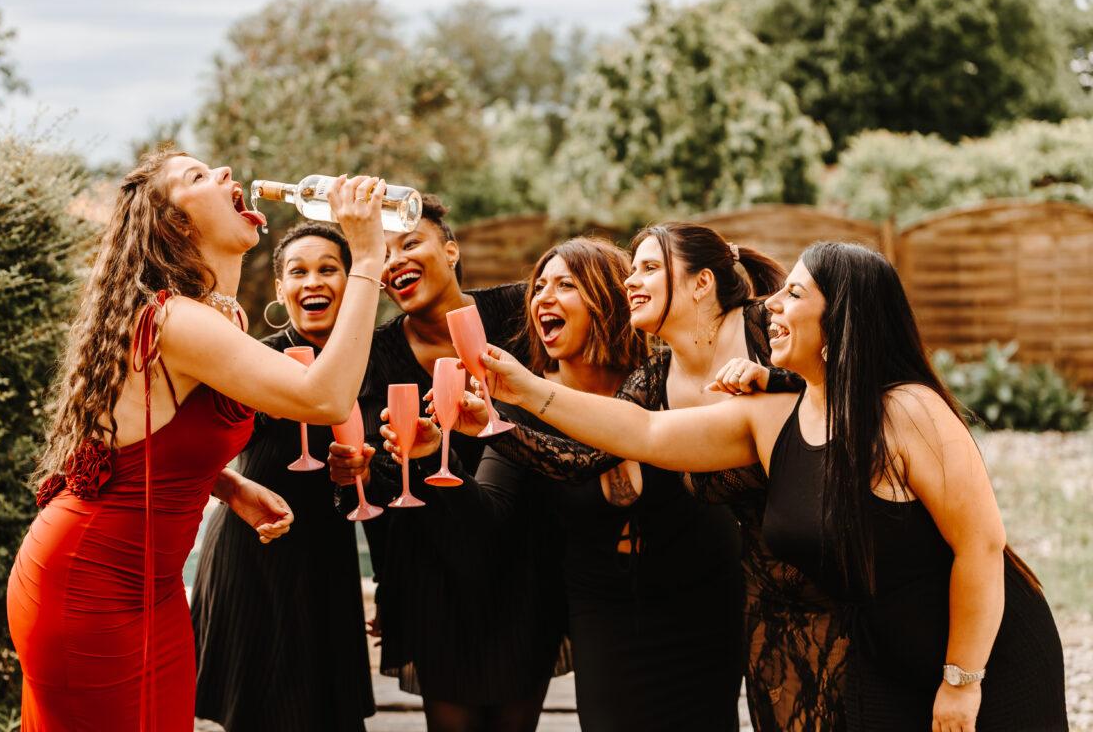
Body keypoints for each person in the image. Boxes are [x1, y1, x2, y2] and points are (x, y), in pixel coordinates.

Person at [478, 241, 1069, 732]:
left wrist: (962, 681)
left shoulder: (908, 412)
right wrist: (526, 390)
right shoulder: (772, 415)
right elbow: (645, 430)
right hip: (880, 657)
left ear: (838, 318)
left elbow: (982, 547)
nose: (772, 305)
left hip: (983, 654)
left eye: (793, 293)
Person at [5, 150, 388, 731]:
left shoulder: (213, 316)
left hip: (154, 592)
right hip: (88, 588)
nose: (226, 175)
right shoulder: (174, 320)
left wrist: (228, 485)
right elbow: (325, 398)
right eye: (198, 177)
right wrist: (365, 256)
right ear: (176, 225)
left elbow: (144, 437)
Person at [460, 224, 847, 730]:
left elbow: (839, 374)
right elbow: (585, 457)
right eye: (631, 270)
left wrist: (771, 376)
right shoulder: (656, 377)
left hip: (830, 576)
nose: (630, 281)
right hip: (764, 594)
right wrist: (493, 423)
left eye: (647, 268)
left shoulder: (758, 327)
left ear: (702, 283)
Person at [385, 236, 741, 731]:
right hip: (602, 610)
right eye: (539, 287)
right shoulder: (520, 405)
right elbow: (488, 517)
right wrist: (428, 460)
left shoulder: (665, 379)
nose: (543, 298)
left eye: (566, 285)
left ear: (607, 298)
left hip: (701, 598)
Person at [327, 197, 564, 732]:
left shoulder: (519, 312)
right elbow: (383, 485)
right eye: (382, 253)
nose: (394, 261)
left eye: (409, 243)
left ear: (451, 249)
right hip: (432, 576)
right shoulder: (375, 354)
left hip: (525, 567)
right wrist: (359, 477)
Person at [190, 223, 374, 731]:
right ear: (280, 290)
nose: (313, 281)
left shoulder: (374, 358)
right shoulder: (249, 359)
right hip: (256, 556)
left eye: (328, 270)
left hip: (327, 560)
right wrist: (229, 487)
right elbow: (186, 447)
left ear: (353, 279)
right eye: (299, 271)